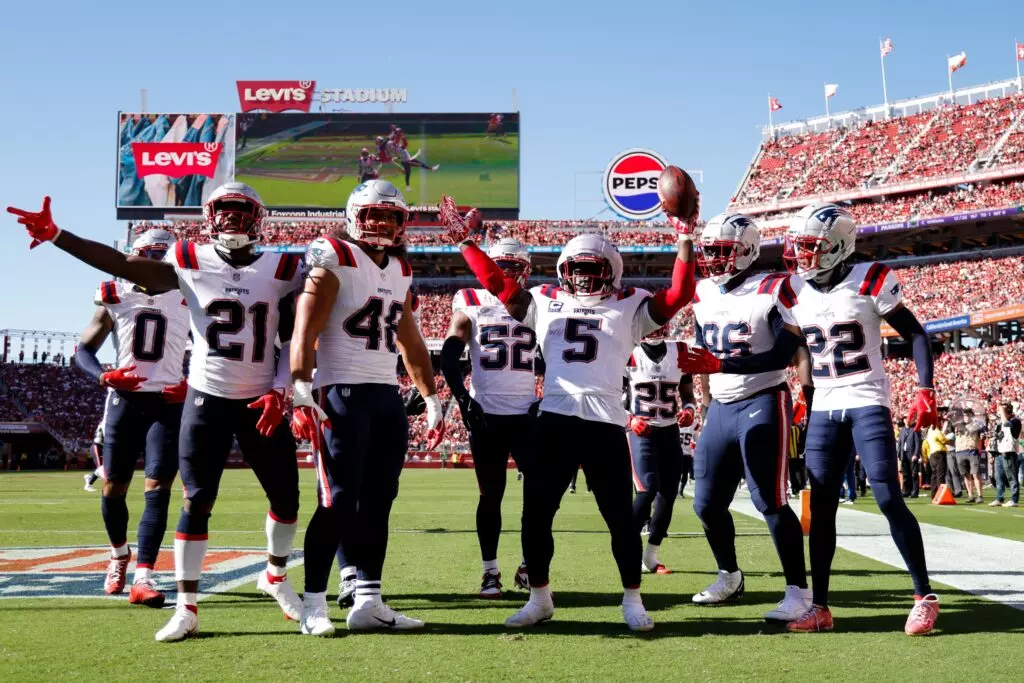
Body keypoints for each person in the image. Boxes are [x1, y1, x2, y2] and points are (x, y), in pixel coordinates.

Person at [9, 184, 306, 642]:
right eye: (222, 211)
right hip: (205, 397)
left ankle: (275, 575)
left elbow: (295, 336)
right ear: (209, 216)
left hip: (259, 397)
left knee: (287, 500)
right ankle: (185, 605)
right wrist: (57, 235)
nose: (229, 220)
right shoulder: (188, 258)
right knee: (195, 499)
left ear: (257, 218)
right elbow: (122, 265)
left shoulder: (285, 267)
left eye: (238, 211)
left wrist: (285, 389)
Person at [438, 193, 698, 632]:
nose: (582, 277)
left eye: (591, 269)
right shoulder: (543, 300)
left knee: (619, 520)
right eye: (575, 268)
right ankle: (539, 598)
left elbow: (679, 294)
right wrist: (467, 244)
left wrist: (687, 237)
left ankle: (632, 598)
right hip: (555, 419)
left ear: (611, 272)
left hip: (604, 422)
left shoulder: (630, 305)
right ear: (563, 270)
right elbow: (500, 287)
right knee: (535, 515)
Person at [679, 203, 940, 635]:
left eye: (812, 246)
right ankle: (819, 605)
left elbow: (914, 332)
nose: (803, 255)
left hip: (867, 399)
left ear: (839, 245)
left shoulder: (870, 278)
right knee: (820, 510)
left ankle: (923, 596)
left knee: (889, 497)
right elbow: (786, 352)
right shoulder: (795, 291)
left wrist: (925, 388)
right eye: (799, 246)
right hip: (824, 407)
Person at [289, 179, 446, 636]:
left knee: (380, 501)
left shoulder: (400, 268)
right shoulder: (333, 255)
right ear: (354, 216)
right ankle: (314, 603)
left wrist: (431, 393)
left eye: (390, 216)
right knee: (336, 501)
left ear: (402, 224)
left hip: (384, 395)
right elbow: (305, 328)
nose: (380, 223)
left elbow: (410, 338)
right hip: (340, 392)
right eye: (372, 214)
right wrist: (301, 385)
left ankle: (369, 601)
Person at [686, 212, 812, 623]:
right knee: (705, 504)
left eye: (722, 251)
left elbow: (782, 353)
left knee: (770, 500)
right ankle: (730, 575)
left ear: (747, 251)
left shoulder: (774, 288)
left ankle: (798, 590)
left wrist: (721, 368)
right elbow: (705, 351)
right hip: (721, 406)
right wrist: (704, 393)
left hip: (763, 398)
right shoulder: (704, 291)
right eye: (710, 251)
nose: (713, 260)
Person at [73, 228, 190, 607]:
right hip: (125, 400)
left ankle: (144, 574)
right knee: (114, 486)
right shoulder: (113, 296)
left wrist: (193, 383)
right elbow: (83, 351)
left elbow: (218, 347)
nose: (155, 263)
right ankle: (119, 554)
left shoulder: (190, 295)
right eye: (149, 255)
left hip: (169, 401)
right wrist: (104, 376)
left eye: (161, 256)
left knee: (157, 488)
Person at [441, 237, 536, 599]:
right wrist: (462, 396)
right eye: (502, 266)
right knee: (490, 496)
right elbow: (452, 351)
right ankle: (490, 572)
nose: (508, 274)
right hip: (487, 416)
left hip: (527, 413)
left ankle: (530, 566)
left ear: (524, 271)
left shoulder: (536, 301)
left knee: (538, 497)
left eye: (514, 267)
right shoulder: (470, 300)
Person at [623, 324, 696, 575]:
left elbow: (688, 394)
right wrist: (629, 419)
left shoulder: (680, 351)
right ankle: (625, 549)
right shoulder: (627, 350)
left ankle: (650, 558)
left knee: (668, 493)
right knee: (647, 489)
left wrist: (689, 410)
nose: (654, 329)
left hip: (669, 430)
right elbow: (611, 393)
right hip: (641, 431)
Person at [991, 402, 1021, 507]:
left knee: (1012, 478)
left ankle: (1014, 500)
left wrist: (1002, 410)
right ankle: (999, 498)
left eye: (1002, 411)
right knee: (998, 478)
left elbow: (1007, 424)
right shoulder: (1000, 423)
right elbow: (998, 438)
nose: (999, 413)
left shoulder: (1015, 421)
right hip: (999, 453)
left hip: (1009, 452)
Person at [953, 410, 984, 504]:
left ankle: (980, 495)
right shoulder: (958, 425)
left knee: (975, 474)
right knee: (966, 474)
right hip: (960, 451)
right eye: (964, 415)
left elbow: (982, 433)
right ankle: (970, 495)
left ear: (972, 416)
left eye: (968, 415)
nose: (966, 417)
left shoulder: (977, 425)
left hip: (972, 450)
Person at [896, 417, 922, 499]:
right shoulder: (902, 431)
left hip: (912, 455)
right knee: (906, 474)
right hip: (904, 454)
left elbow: (918, 443)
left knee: (914, 474)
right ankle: (906, 491)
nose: (907, 420)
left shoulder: (915, 430)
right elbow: (900, 444)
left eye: (908, 419)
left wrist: (916, 454)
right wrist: (899, 455)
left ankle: (915, 492)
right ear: (903, 421)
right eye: (905, 419)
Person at [83, 411, 108, 493]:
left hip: (103, 447)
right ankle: (89, 483)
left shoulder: (106, 422)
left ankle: (89, 480)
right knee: (101, 469)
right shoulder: (106, 423)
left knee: (103, 468)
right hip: (97, 446)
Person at [925, 421, 950, 500]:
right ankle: (940, 495)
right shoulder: (937, 431)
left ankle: (934, 495)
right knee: (940, 475)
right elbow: (944, 440)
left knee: (934, 475)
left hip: (932, 454)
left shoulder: (929, 431)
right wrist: (948, 435)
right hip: (939, 454)